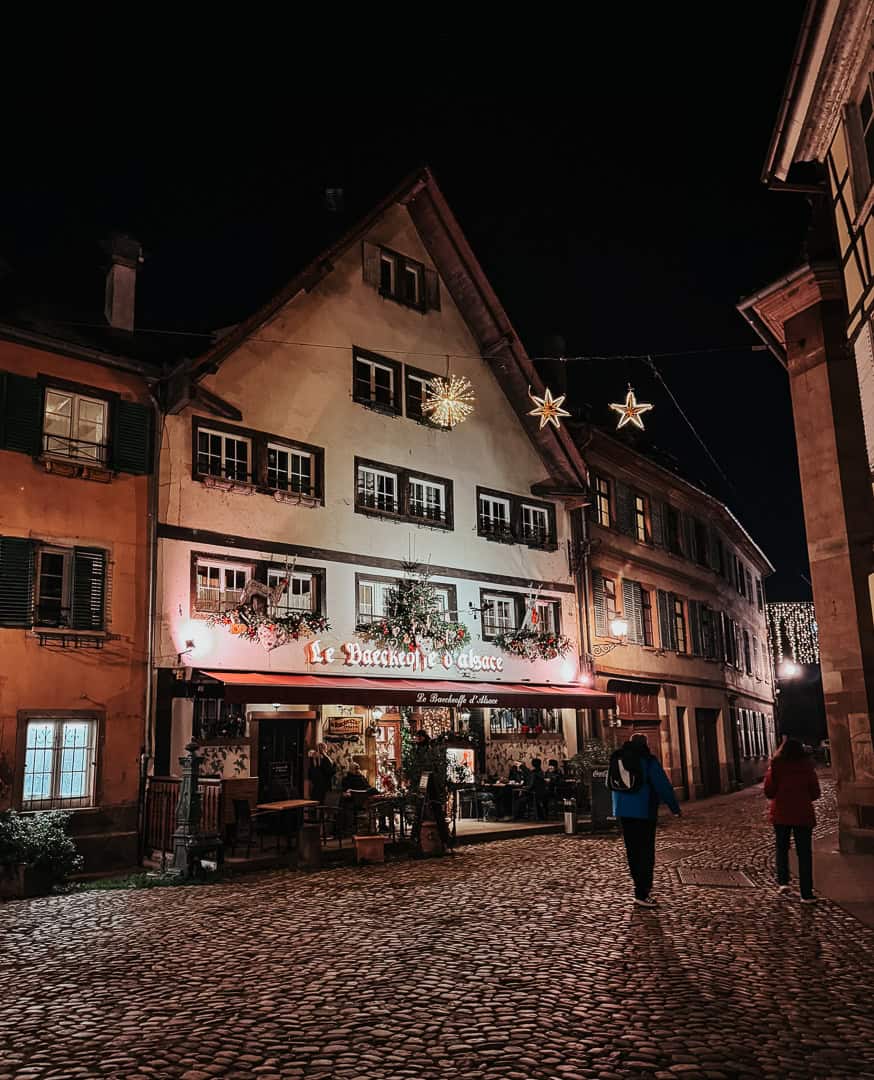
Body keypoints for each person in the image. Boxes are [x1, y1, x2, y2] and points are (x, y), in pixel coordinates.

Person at [609, 733, 680, 907]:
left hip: (624, 813)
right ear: (645, 744)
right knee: (645, 853)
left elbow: (611, 783)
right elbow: (662, 785)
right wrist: (674, 808)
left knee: (632, 852)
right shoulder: (647, 760)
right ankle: (642, 892)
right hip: (644, 812)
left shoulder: (617, 758)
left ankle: (638, 888)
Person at [763, 736, 821, 903]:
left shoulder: (776, 766)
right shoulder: (807, 766)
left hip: (781, 813)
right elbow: (815, 792)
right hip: (803, 814)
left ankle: (783, 883)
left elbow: (769, 791)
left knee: (782, 848)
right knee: (804, 853)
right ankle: (806, 893)